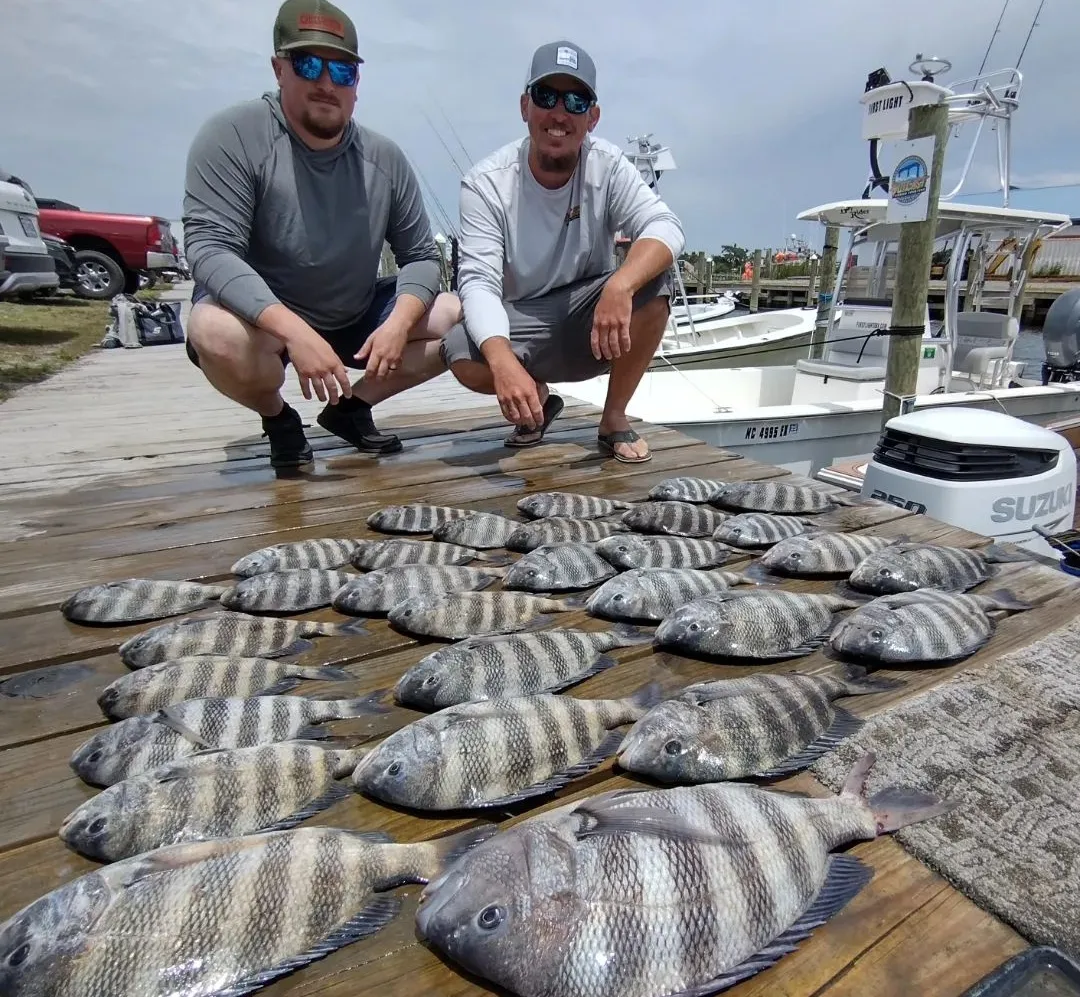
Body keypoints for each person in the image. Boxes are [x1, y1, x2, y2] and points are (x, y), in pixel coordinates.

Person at [182, 0, 461, 475]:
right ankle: (278, 417)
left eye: (343, 70)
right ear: (279, 68)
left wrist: (397, 325)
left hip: (354, 312)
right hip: (266, 320)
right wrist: (295, 333)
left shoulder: (385, 157)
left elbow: (419, 256)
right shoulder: (233, 134)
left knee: (461, 314)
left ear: (357, 81)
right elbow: (209, 249)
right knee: (212, 331)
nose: (327, 83)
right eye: (309, 64)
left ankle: (350, 408)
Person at [441, 40, 685, 462]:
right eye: (546, 96)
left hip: (589, 314)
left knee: (655, 282)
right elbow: (478, 282)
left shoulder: (607, 164)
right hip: (523, 318)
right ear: (524, 107)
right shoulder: (484, 183)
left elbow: (666, 226)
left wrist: (622, 285)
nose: (559, 113)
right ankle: (536, 400)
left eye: (575, 100)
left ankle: (613, 418)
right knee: (462, 351)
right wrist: (503, 365)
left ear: (593, 117)